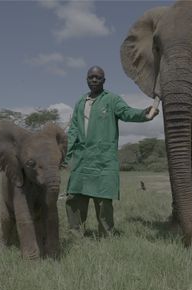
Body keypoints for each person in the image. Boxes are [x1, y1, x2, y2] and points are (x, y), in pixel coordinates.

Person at [65, 65, 159, 237]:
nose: (94, 80)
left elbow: (127, 113)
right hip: (81, 159)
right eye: (91, 77)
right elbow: (73, 130)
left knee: (103, 200)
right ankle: (75, 233)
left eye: (98, 77)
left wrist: (144, 114)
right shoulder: (80, 102)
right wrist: (66, 154)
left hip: (103, 159)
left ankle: (106, 235)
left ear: (104, 80)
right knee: (75, 197)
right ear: (86, 80)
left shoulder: (112, 100)